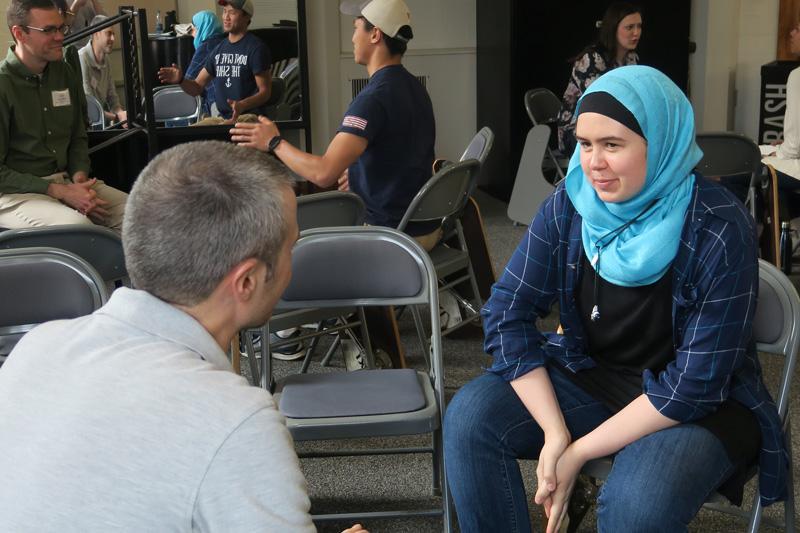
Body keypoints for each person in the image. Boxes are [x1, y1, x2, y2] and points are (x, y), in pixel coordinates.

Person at [444, 65, 789, 533]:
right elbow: (508, 311)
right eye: (585, 144)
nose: (593, 163)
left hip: (702, 408)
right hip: (595, 378)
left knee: (634, 505)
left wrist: (579, 452)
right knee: (469, 419)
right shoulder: (573, 201)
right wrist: (554, 431)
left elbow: (696, 384)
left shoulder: (718, 225)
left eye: (612, 145)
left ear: (661, 143)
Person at [0, 140, 367, 533]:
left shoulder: (36, 349)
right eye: (290, 247)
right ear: (247, 281)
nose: (293, 259)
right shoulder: (236, 421)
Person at [230, 0, 439, 251]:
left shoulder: (373, 98)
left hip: (393, 236)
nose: (352, 38)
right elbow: (401, 153)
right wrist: (360, 176)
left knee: (283, 242)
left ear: (375, 34)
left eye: (355, 28)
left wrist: (274, 142)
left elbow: (323, 173)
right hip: (425, 226)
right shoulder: (414, 86)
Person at [0, 0, 127, 232]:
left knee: (141, 215)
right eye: (49, 30)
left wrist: (79, 180)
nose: (60, 36)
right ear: (20, 34)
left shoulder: (65, 73)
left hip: (67, 181)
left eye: (61, 28)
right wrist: (60, 192)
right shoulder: (3, 84)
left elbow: (78, 136)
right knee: (79, 230)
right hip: (17, 194)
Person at [157, 0, 272, 122]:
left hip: (249, 117)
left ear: (246, 16)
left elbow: (265, 92)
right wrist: (180, 80)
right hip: (223, 118)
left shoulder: (256, 48)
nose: (226, 17)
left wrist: (243, 104)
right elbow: (196, 87)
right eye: (224, 11)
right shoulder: (219, 50)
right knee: (191, 136)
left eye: (232, 12)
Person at [556, 1, 642, 155]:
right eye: (630, 27)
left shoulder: (632, 58)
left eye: (639, 26)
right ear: (613, 29)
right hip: (578, 128)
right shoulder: (591, 59)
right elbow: (598, 103)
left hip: (612, 125)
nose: (636, 33)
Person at [78, 14, 126, 126]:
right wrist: (117, 117)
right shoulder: (82, 58)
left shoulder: (106, 60)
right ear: (96, 34)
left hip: (102, 122)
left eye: (113, 34)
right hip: (88, 126)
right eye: (109, 34)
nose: (113, 39)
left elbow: (112, 96)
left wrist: (120, 113)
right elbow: (89, 107)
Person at [185, 10, 225, 117]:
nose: (193, 34)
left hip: (216, 103)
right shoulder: (226, 41)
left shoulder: (206, 46)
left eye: (193, 29)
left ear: (201, 28)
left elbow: (188, 79)